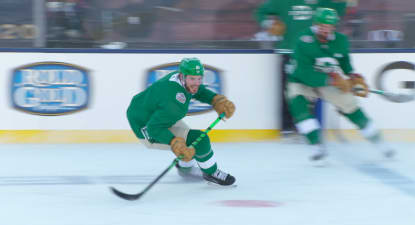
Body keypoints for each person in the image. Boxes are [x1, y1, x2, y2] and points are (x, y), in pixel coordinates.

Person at [286, 8, 395, 163]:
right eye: (322, 26)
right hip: (300, 81)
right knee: (298, 106)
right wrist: (333, 81)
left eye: (329, 27)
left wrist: (353, 76)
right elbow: (305, 74)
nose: (325, 30)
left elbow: (344, 61)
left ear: (334, 27)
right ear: (316, 24)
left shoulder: (341, 40)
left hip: (329, 79)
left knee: (351, 106)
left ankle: (380, 143)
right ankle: (317, 146)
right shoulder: (304, 41)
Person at [126, 57, 236, 185]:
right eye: (192, 79)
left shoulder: (179, 78)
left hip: (153, 112)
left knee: (188, 142)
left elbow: (198, 90)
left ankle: (184, 168)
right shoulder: (173, 101)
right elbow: (154, 128)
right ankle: (211, 172)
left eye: (199, 78)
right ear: (183, 76)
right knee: (199, 140)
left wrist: (215, 99)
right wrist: (175, 143)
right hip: (145, 125)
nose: (196, 82)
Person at [254, 0, 348, 134]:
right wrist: (269, 24)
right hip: (288, 51)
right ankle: (287, 127)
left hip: (312, 53)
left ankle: (309, 126)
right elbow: (260, 12)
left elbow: (340, 8)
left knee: (314, 89)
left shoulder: (320, 2)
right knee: (289, 90)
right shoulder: (281, 2)